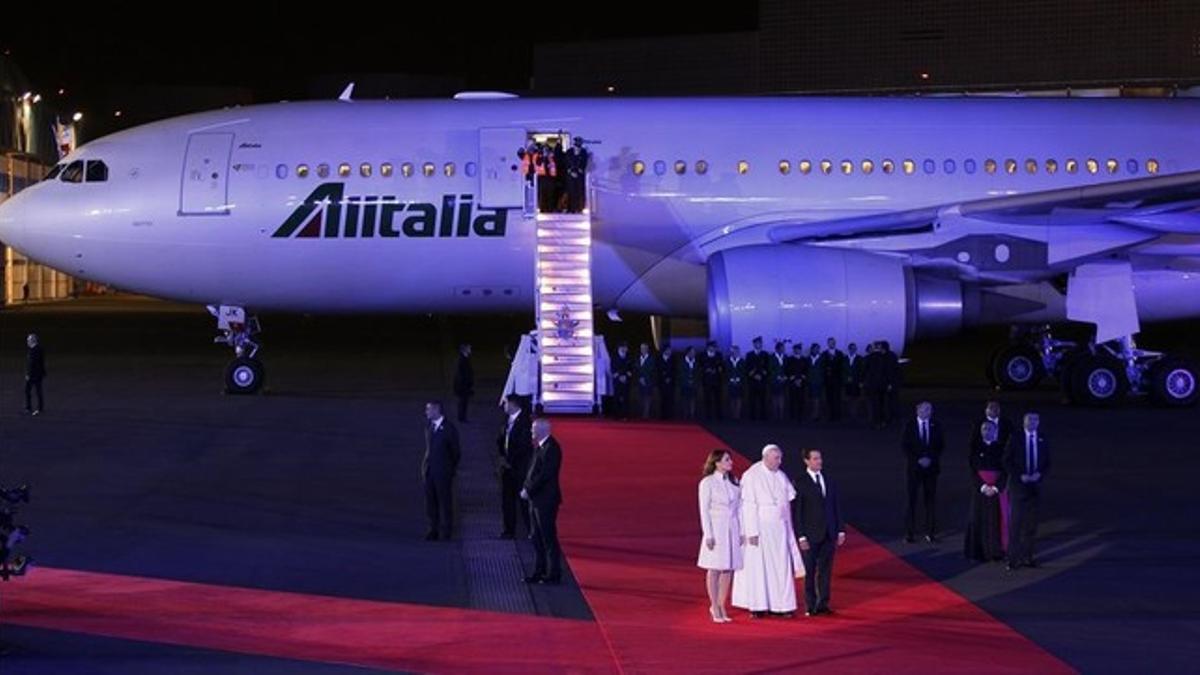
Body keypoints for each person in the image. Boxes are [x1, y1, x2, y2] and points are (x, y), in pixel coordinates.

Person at [732, 445, 805, 618]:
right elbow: (747, 506)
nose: (779, 462)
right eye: (776, 458)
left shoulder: (781, 476)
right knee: (759, 568)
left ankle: (782, 606)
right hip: (760, 530)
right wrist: (752, 532)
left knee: (781, 567)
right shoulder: (752, 475)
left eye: (780, 458)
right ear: (765, 457)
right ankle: (758, 606)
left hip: (779, 530)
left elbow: (787, 502)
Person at [793, 448, 845, 616]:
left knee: (825, 570)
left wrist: (840, 530)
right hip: (810, 534)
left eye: (820, 458)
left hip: (829, 533)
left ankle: (822, 604)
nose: (819, 461)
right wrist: (801, 536)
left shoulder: (829, 480)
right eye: (815, 459)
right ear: (806, 461)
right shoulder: (800, 482)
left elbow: (836, 506)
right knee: (810, 571)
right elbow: (798, 511)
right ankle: (810, 605)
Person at [697, 450, 743, 623]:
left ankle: (722, 604)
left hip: (731, 527)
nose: (731, 462)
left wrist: (740, 531)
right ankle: (714, 605)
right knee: (714, 567)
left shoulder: (734, 481)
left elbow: (739, 508)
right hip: (716, 528)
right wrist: (708, 534)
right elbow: (704, 510)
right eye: (726, 459)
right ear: (717, 463)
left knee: (728, 567)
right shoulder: (707, 483)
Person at [1005, 413, 1049, 571]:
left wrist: (1040, 474)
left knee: (1031, 526)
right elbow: (1007, 460)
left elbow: (1047, 462)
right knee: (1016, 525)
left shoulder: (1042, 438)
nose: (1033, 422)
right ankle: (1012, 559)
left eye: (1036, 419)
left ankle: (1028, 557)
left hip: (1035, 488)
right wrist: (1020, 475)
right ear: (1023, 421)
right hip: (1019, 488)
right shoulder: (1016, 438)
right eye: (1030, 419)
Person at [523, 418, 563, 584]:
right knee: (536, 537)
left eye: (533, 429)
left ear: (542, 430)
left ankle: (553, 574)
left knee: (547, 538)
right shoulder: (540, 447)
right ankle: (539, 571)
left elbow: (545, 474)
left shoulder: (551, 448)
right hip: (536, 499)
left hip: (545, 500)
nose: (531, 432)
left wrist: (528, 489)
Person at [901, 401, 945, 543]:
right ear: (917, 410)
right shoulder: (909, 425)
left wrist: (929, 459)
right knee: (911, 501)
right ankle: (909, 533)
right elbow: (905, 446)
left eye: (930, 409)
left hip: (931, 469)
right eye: (925, 409)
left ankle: (930, 532)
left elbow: (940, 445)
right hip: (914, 469)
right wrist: (918, 460)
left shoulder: (936, 425)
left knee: (930, 501)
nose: (928, 412)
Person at [965, 420, 1008, 562]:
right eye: (984, 428)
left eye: (990, 429)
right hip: (980, 491)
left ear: (995, 432)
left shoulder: (1002, 449)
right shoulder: (975, 449)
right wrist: (983, 487)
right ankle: (978, 553)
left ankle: (996, 552)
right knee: (977, 520)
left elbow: (1006, 471)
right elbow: (972, 471)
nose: (986, 431)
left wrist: (995, 487)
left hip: (996, 491)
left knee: (995, 521)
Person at [421, 401, 461, 541]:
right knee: (430, 501)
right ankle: (433, 529)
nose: (426, 412)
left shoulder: (449, 429)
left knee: (445, 501)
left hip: (443, 472)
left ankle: (446, 530)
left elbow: (456, 452)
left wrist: (449, 468)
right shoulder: (429, 427)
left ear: (437, 410)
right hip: (430, 471)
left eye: (428, 409)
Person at [496, 396, 533, 539]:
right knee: (507, 501)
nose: (503, 405)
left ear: (513, 404)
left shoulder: (524, 422)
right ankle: (509, 530)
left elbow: (524, 446)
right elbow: (501, 439)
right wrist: (502, 456)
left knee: (524, 502)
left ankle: (531, 530)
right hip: (508, 469)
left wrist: (509, 461)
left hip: (520, 469)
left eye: (505, 403)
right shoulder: (507, 420)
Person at [822, 338, 846, 422]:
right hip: (828, 380)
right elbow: (822, 367)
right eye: (830, 343)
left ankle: (837, 415)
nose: (831, 344)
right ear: (827, 344)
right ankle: (830, 415)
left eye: (833, 343)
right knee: (829, 398)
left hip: (837, 380)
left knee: (837, 398)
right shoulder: (824, 354)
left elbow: (842, 367)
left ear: (835, 343)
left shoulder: (839, 353)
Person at [746, 337, 769, 421]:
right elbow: (747, 368)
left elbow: (767, 367)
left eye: (759, 343)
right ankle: (753, 417)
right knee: (752, 400)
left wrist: (762, 375)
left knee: (763, 399)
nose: (758, 344)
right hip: (752, 380)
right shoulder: (749, 355)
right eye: (756, 343)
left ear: (761, 344)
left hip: (762, 380)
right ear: (753, 344)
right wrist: (753, 375)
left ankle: (763, 417)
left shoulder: (765, 354)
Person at [700, 341, 723, 420]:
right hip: (707, 380)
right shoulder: (703, 355)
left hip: (717, 380)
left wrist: (716, 370)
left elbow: (721, 366)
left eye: (714, 347)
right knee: (707, 399)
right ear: (708, 347)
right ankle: (708, 416)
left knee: (718, 399)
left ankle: (718, 416)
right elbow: (700, 367)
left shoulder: (719, 355)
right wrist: (706, 370)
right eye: (711, 347)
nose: (713, 348)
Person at [611, 342, 633, 419]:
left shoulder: (629, 357)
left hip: (626, 381)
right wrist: (620, 376)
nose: (624, 349)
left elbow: (631, 369)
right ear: (619, 348)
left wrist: (626, 376)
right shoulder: (614, 357)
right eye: (622, 347)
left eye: (625, 348)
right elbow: (613, 369)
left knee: (625, 398)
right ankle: (617, 415)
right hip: (617, 381)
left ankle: (625, 415)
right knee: (617, 398)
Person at [786, 343, 808, 422]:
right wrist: (794, 379)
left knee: (801, 399)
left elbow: (806, 370)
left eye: (798, 349)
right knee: (792, 399)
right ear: (793, 350)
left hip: (802, 382)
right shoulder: (790, 359)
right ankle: (792, 415)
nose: (797, 350)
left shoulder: (804, 359)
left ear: (800, 350)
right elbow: (788, 370)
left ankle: (800, 415)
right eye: (795, 349)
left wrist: (801, 378)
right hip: (792, 382)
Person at [24, 333, 45, 416]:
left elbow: (32, 364)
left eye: (28, 340)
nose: (27, 342)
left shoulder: (34, 350)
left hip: (33, 375)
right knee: (38, 391)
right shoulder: (39, 349)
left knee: (28, 390)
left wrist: (28, 374)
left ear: (32, 341)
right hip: (39, 374)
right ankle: (40, 407)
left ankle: (29, 407)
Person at [453, 344, 474, 423]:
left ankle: (462, 417)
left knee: (463, 402)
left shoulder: (465, 359)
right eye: (469, 348)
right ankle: (462, 418)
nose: (470, 350)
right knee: (463, 402)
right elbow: (461, 374)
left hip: (464, 385)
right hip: (462, 385)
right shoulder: (462, 360)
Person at [768, 341, 789, 421]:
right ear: (777, 349)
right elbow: (770, 369)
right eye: (782, 348)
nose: (783, 349)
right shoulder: (772, 357)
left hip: (783, 380)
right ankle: (775, 414)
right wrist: (777, 376)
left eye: (783, 348)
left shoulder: (785, 357)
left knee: (782, 397)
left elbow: (787, 369)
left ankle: (781, 414)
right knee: (775, 397)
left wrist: (785, 376)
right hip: (774, 380)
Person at [678, 346, 699, 420]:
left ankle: (692, 415)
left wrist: (694, 380)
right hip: (684, 384)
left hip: (693, 384)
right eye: (692, 352)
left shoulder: (696, 362)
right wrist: (687, 380)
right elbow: (680, 373)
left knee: (692, 399)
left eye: (694, 352)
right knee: (685, 400)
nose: (694, 354)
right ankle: (685, 415)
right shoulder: (682, 362)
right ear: (688, 353)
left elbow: (698, 373)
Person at [637, 343, 657, 418]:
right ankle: (641, 414)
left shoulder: (651, 359)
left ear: (647, 349)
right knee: (640, 398)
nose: (643, 350)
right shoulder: (638, 358)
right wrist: (640, 378)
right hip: (639, 382)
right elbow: (636, 370)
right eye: (642, 348)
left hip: (649, 382)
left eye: (645, 348)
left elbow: (652, 371)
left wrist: (645, 379)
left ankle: (646, 414)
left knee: (647, 398)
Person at [726, 345, 745, 420]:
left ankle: (738, 414)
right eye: (733, 351)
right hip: (730, 382)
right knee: (732, 398)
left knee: (738, 398)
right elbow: (727, 371)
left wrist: (738, 378)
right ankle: (732, 414)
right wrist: (731, 378)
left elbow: (743, 371)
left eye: (737, 351)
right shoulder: (728, 361)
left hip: (739, 382)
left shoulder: (742, 361)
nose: (735, 353)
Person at [806, 344, 825, 421]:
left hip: (818, 381)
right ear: (812, 349)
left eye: (818, 349)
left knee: (817, 398)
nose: (816, 350)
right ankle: (813, 413)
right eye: (815, 349)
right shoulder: (808, 358)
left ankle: (816, 414)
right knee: (812, 398)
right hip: (810, 381)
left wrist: (822, 379)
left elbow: (824, 370)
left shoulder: (822, 358)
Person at [657, 344, 676, 420]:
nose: (669, 351)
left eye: (670, 350)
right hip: (661, 382)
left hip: (670, 382)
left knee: (670, 399)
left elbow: (675, 370)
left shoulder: (673, 359)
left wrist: (670, 378)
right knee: (662, 399)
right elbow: (657, 370)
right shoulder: (659, 359)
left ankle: (670, 415)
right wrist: (663, 378)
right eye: (668, 350)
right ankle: (663, 415)